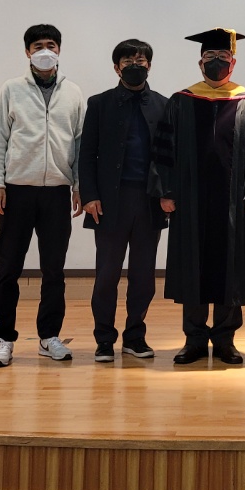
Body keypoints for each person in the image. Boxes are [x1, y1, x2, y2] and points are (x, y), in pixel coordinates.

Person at [152, 28, 245, 365]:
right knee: (192, 266)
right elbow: (164, 151)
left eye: (222, 57)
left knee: (230, 268)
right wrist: (166, 192)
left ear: (233, 63)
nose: (216, 62)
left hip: (233, 202)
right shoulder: (181, 100)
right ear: (200, 62)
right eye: (210, 57)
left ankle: (225, 340)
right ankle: (193, 339)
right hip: (188, 200)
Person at [0, 23, 86, 368]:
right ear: (28, 52)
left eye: (51, 45)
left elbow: (79, 143)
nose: (46, 50)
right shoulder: (12, 89)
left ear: (59, 50)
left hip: (56, 192)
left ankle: (49, 337)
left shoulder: (73, 92)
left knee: (54, 271)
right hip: (17, 192)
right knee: (8, 269)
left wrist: (78, 186)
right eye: (39, 45)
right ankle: (4, 339)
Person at [78, 38, 169, 364]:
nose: (135, 65)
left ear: (149, 65)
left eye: (140, 60)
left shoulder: (163, 105)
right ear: (117, 68)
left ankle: (135, 336)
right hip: (109, 203)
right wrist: (90, 195)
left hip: (149, 203)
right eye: (128, 61)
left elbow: (169, 157)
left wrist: (168, 194)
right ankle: (104, 339)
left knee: (144, 277)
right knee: (107, 275)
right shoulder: (99, 104)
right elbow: (86, 153)